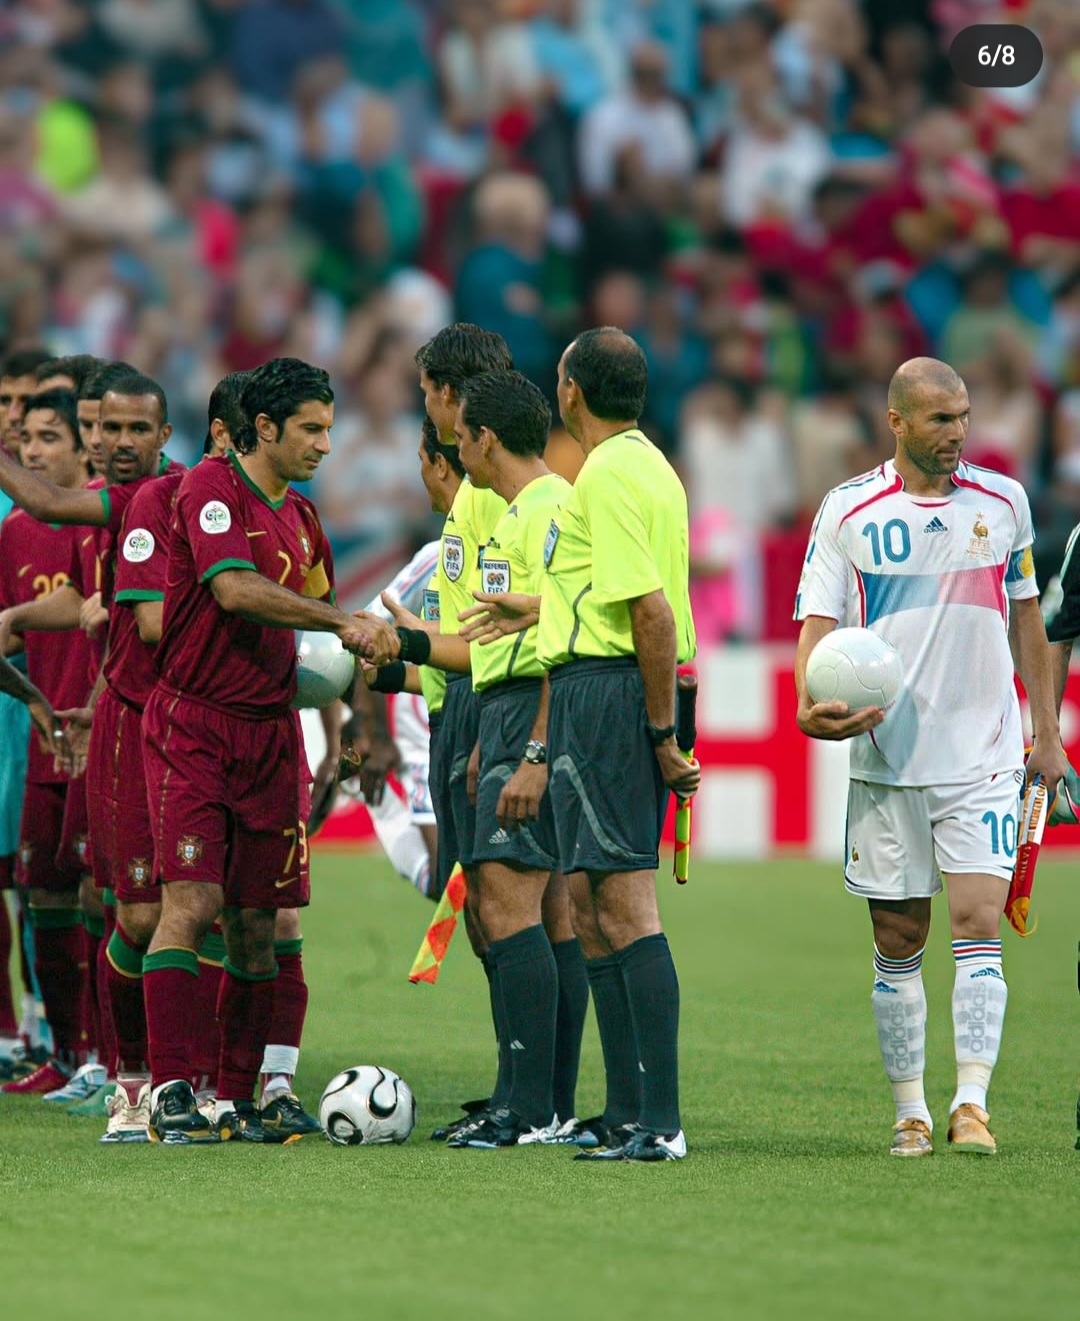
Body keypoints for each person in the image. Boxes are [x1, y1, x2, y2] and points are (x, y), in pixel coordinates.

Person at [794, 356, 1069, 1158]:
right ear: (898, 422)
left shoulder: (1003, 503)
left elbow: (1028, 618)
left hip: (983, 753)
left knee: (979, 923)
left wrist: (1046, 731)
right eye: (941, 419)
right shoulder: (849, 510)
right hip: (888, 758)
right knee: (898, 937)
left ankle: (971, 1103)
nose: (958, 432)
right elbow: (819, 623)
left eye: (964, 416)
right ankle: (909, 1110)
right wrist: (809, 703)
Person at [138, 357, 379, 1144]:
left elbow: (327, 636)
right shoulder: (210, 487)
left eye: (328, 429)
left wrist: (347, 726)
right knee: (192, 904)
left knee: (257, 920)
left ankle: (238, 1097)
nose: (324, 444)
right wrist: (340, 620)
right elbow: (236, 590)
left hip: (272, 732)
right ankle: (171, 1087)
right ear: (264, 427)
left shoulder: (303, 519)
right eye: (311, 428)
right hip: (196, 726)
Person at [532, 328, 699, 1162]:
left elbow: (652, 611)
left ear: (571, 391)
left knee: (625, 904)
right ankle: (626, 1109)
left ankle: (661, 1120)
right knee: (590, 906)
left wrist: (661, 733)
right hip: (594, 689)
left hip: (614, 693)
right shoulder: (645, 465)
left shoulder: (607, 473)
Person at [437, 369, 580, 1148]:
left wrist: (533, 749)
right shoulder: (523, 510)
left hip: (532, 710)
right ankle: (535, 1100)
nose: (455, 450)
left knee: (507, 906)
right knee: (537, 909)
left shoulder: (550, 508)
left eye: (460, 437)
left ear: (485, 438)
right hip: (503, 709)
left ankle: (530, 1108)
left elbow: (565, 635)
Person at [0, 390, 97, 1096]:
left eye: (49, 438)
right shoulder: (14, 532)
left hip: (100, 739)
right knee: (46, 900)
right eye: (26, 438)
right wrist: (34, 700)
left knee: (103, 901)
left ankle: (111, 1059)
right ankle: (65, 1055)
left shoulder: (104, 520)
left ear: (82, 446)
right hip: (45, 737)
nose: (34, 451)